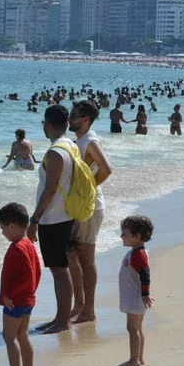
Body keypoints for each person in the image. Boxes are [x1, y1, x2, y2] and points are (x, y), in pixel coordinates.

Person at [28, 105, 76, 335]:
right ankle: (60, 317)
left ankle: (63, 321)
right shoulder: (71, 146)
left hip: (54, 217)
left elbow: (50, 188)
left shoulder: (56, 151)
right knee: (60, 268)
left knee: (59, 269)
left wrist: (34, 219)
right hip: (64, 214)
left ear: (47, 125)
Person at [68, 99, 114, 323]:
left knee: (86, 258)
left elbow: (107, 168)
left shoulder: (90, 141)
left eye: (74, 116)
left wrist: (90, 188)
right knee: (73, 256)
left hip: (91, 206)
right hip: (82, 206)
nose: (70, 118)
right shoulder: (80, 140)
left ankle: (89, 310)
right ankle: (80, 305)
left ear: (86, 120)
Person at [0, 202, 41, 366]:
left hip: (16, 301)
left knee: (9, 336)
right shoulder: (27, 243)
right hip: (27, 299)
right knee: (23, 335)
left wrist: (10, 295)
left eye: (3, 228)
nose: (2, 232)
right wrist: (30, 294)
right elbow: (36, 272)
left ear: (13, 225)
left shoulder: (18, 248)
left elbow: (27, 275)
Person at [117, 215, 154, 366]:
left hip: (135, 297)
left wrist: (145, 294)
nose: (121, 236)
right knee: (137, 328)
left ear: (137, 236)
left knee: (132, 329)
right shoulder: (137, 252)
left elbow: (145, 273)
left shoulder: (138, 254)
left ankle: (134, 359)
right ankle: (139, 357)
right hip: (135, 297)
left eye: (124, 234)